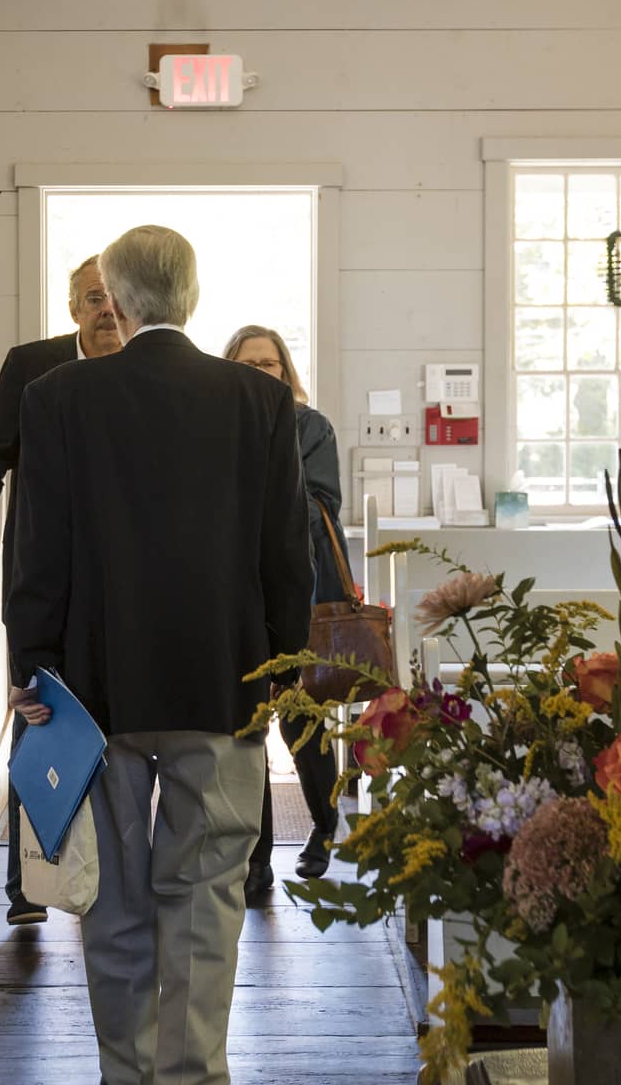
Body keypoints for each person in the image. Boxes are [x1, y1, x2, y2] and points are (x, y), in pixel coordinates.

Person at [7, 225, 313, 1085]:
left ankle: (125, 1071)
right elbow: (287, 555)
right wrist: (280, 671)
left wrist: (35, 667)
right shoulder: (258, 403)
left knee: (110, 898)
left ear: (119, 297)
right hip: (222, 684)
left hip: (94, 691)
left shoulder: (61, 397)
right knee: (209, 898)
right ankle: (194, 1071)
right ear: (191, 295)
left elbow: (41, 548)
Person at [0, 255, 121, 927]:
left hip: (123, 575)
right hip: (44, 573)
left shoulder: (144, 373)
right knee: (41, 717)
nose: (106, 308)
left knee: (117, 726)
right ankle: (26, 885)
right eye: (93, 297)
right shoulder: (31, 365)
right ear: (74, 307)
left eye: (116, 296)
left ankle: (111, 873)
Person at [223, 325, 344, 901]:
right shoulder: (219, 425)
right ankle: (257, 859)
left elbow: (322, 503)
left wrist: (263, 490)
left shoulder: (310, 425)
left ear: (285, 370)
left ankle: (324, 824)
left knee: (303, 720)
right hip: (239, 593)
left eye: (269, 363)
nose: (260, 372)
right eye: (249, 363)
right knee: (249, 730)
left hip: (302, 589)